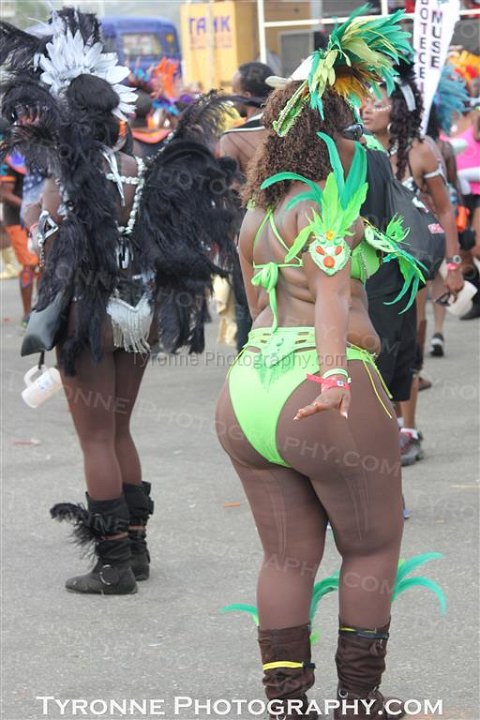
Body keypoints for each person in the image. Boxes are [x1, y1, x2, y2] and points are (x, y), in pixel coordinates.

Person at [216, 10, 421, 719]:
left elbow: (259, 308)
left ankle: (287, 705)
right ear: (334, 140)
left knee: (286, 558)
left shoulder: (257, 216)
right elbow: (332, 298)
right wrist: (335, 377)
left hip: (249, 392)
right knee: (372, 546)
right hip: (319, 390)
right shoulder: (323, 211)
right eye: (353, 132)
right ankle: (359, 702)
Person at [1, 8, 237, 595]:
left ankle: (112, 567)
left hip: (89, 314)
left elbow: (44, 239)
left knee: (96, 438)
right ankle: (136, 549)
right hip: (140, 311)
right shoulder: (138, 167)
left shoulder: (67, 174)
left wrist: (42, 220)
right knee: (121, 430)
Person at [362, 61, 464, 465]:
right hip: (368, 264)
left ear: (399, 109)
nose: (367, 109)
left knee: (407, 340)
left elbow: (444, 209)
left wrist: (452, 263)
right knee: (371, 343)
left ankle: (407, 428)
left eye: (377, 104)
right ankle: (380, 424)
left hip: (411, 267)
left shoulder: (421, 150)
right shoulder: (357, 150)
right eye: (364, 102)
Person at [219, 62, 274, 351]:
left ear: (248, 95)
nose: (232, 97)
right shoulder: (292, 128)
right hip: (298, 229)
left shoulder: (232, 138)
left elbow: (228, 195)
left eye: (235, 91)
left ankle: (249, 365)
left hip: (251, 234)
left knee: (248, 308)